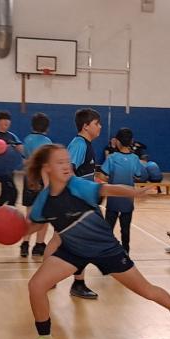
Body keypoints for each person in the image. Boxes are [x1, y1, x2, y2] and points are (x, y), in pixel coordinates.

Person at [19, 144, 170, 339]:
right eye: (59, 162)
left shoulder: (78, 186)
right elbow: (35, 224)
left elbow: (108, 188)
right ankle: (45, 338)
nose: (66, 166)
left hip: (106, 249)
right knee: (36, 285)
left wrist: (135, 192)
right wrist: (15, 229)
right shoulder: (44, 200)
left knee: (147, 291)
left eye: (67, 161)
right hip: (73, 251)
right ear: (47, 168)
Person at [64, 108, 102, 299]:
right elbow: (67, 172)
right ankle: (78, 283)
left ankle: (49, 278)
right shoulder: (79, 144)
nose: (100, 127)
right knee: (84, 243)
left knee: (58, 242)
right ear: (86, 126)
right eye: (97, 123)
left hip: (83, 201)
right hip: (78, 203)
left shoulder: (85, 144)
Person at [100, 128, 143, 253]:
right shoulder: (135, 158)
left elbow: (103, 175)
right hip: (128, 200)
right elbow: (138, 175)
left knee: (108, 228)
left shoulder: (112, 158)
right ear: (132, 141)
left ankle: (106, 252)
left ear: (117, 141)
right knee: (125, 229)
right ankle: (125, 253)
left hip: (113, 199)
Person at [20, 113, 52, 258]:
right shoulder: (47, 142)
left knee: (29, 214)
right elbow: (47, 165)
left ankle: (25, 244)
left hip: (29, 179)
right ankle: (39, 246)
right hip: (42, 181)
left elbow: (24, 162)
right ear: (47, 127)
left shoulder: (27, 140)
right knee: (44, 215)